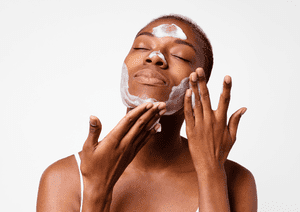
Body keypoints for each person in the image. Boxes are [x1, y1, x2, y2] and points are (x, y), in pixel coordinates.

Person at [37, 14, 257, 212]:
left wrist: (211, 172)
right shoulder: (64, 178)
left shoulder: (235, 180)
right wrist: (96, 192)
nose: (155, 56)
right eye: (141, 47)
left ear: (200, 85)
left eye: (180, 56)